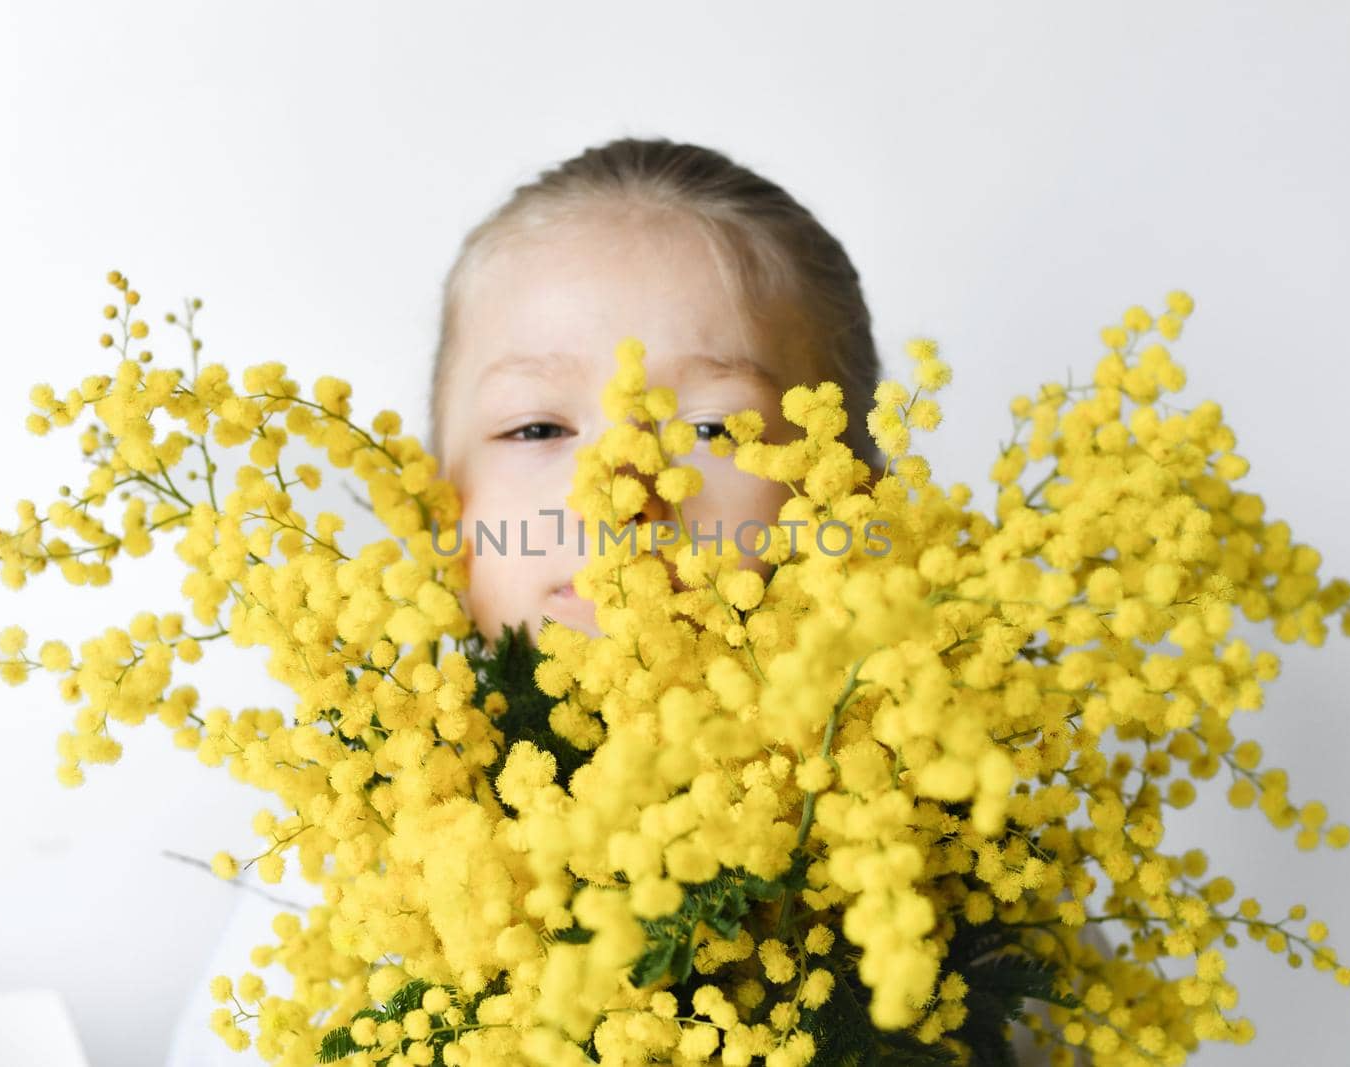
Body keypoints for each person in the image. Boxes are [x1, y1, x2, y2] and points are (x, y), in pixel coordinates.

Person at [167, 136, 1074, 1064]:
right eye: (538, 425)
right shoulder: (347, 897)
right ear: (436, 497)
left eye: (712, 428)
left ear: (853, 493)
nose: (619, 483)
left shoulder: (966, 890)